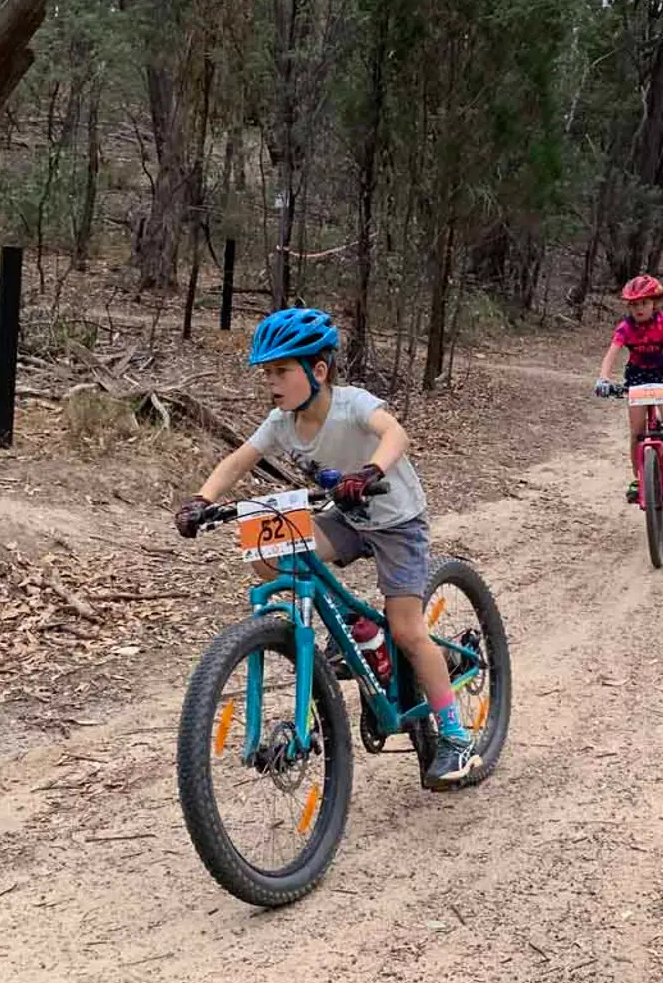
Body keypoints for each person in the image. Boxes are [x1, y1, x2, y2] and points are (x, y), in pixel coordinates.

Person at [171, 307, 480, 790]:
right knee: (269, 552)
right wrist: (201, 500)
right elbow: (238, 459)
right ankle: (356, 626)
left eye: (281, 371)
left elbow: (395, 433)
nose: (271, 382)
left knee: (406, 629)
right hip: (346, 518)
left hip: (397, 522)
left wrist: (371, 471)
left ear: (317, 371)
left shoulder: (352, 404)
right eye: (267, 373)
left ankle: (456, 738)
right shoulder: (281, 422)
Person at [594, 274, 663, 501]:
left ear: (655, 303)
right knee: (636, 431)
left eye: (644, 303)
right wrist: (603, 379)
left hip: (661, 374)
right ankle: (638, 478)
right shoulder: (625, 328)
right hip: (636, 376)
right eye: (633, 305)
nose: (639, 309)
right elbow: (611, 354)